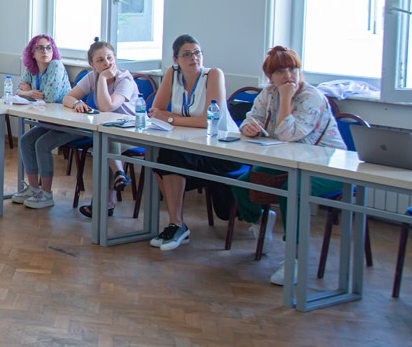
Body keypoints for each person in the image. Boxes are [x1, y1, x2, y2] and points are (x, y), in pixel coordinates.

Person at [237, 45, 346, 285]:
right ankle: (261, 222)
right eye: (280, 71)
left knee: (292, 191)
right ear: (270, 77)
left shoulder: (311, 97)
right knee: (242, 184)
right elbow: (250, 118)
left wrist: (286, 97)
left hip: (327, 165)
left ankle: (293, 258)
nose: (288, 76)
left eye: (293, 69)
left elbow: (288, 134)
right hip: (287, 161)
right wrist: (249, 127)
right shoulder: (268, 93)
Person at [146, 35, 243, 251]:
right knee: (159, 161)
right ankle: (177, 224)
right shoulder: (172, 74)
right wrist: (169, 117)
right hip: (191, 145)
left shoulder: (213, 75)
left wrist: (171, 118)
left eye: (197, 53)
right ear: (176, 59)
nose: (194, 58)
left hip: (224, 150)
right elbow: (155, 111)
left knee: (171, 158)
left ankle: (176, 225)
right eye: (187, 54)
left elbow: (208, 121)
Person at [66, 40, 137, 218]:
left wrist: (104, 79)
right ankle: (117, 178)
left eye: (109, 58)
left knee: (104, 142)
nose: (107, 63)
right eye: (100, 60)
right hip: (109, 131)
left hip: (132, 131)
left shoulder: (124, 79)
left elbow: (107, 107)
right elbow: (68, 97)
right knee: (105, 140)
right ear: (92, 64)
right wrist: (77, 102)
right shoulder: (93, 76)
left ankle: (105, 201)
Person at [10, 34, 73, 209]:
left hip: (68, 122)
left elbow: (50, 97)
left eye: (48, 48)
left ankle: (46, 194)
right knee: (25, 141)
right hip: (49, 121)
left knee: (42, 144)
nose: (45, 51)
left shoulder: (56, 66)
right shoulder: (31, 69)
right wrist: (30, 92)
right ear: (32, 52)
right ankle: (33, 189)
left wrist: (29, 90)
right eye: (40, 48)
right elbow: (18, 91)